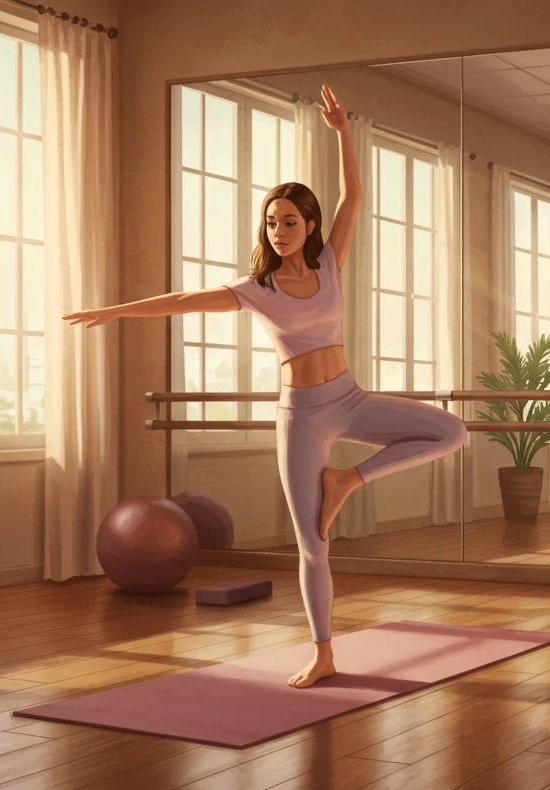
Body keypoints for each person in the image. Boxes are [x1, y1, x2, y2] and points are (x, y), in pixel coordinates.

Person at [65, 85, 467, 687]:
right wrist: (115, 312)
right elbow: (181, 301)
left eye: (289, 221)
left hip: (351, 400)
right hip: (303, 416)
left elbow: (354, 195)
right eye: (271, 223)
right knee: (312, 544)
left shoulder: (331, 261)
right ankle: (324, 652)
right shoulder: (257, 288)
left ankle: (346, 481)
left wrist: (343, 132)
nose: (279, 231)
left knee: (451, 429)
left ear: (309, 226)